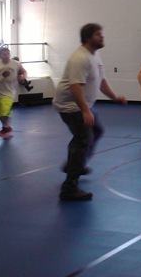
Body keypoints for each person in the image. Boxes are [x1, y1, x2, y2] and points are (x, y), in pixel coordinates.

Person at [53, 23, 127, 201]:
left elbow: (101, 80)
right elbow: (75, 87)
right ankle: (69, 188)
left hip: (83, 105)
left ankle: (74, 165)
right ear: (87, 38)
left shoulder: (95, 55)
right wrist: (86, 111)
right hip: (71, 106)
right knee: (83, 139)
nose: (101, 37)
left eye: (101, 34)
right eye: (97, 34)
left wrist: (115, 97)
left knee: (96, 131)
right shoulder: (79, 58)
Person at [0, 47, 28, 138]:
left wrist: (23, 77)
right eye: (4, 54)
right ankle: (5, 127)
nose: (7, 56)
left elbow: (24, 71)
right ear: (0, 56)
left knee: (5, 109)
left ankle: (5, 128)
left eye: (8, 54)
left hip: (9, 91)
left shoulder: (16, 64)